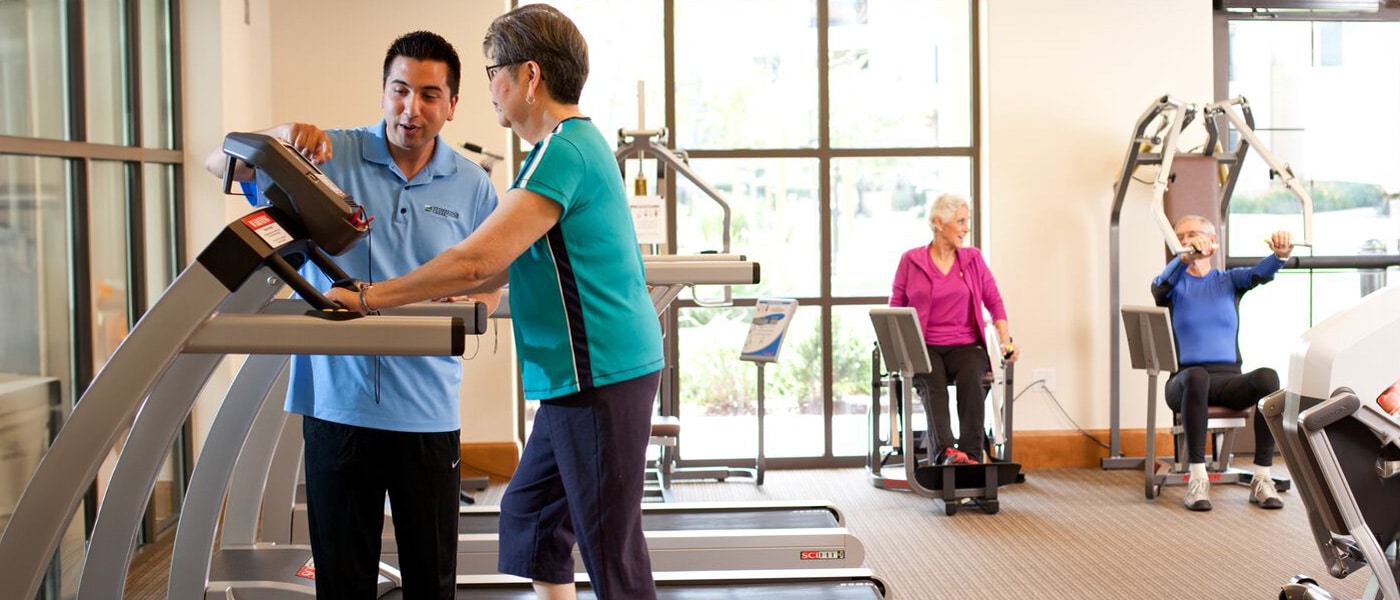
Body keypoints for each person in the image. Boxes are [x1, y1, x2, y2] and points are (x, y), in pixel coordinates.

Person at [326, 6, 663, 599]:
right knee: (529, 514)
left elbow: (475, 258)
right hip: (570, 376)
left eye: (493, 74)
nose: (490, 91)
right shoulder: (555, 150)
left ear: (529, 76)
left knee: (612, 551)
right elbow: (511, 260)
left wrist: (369, 297)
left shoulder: (565, 150)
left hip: (600, 372)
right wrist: (473, 285)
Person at [204, 31, 500, 599]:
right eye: (400, 90)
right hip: (339, 407)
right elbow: (218, 163)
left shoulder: (472, 186)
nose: (411, 109)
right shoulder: (324, 155)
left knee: (432, 585)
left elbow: (494, 269)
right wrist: (279, 136)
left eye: (429, 95)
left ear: (452, 106)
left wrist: (476, 306)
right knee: (343, 584)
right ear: (384, 91)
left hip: (428, 410)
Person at [1152, 215, 1291, 512]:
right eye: (1180, 236)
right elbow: (1158, 287)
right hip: (1183, 381)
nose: (1186, 239)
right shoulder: (1173, 285)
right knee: (1197, 376)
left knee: (1269, 378)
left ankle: (1262, 477)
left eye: (1193, 234)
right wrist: (1184, 257)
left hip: (1228, 380)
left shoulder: (1229, 281)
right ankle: (1198, 478)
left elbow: (1261, 273)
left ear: (1212, 241)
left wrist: (1279, 255)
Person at [889, 193, 1017, 467]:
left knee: (972, 377)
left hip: (965, 344)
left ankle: (970, 456)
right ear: (938, 222)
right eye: (960, 222)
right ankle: (946, 454)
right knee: (932, 383)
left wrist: (1006, 343)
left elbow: (994, 301)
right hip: (925, 346)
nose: (965, 229)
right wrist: (897, 350)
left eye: (966, 222)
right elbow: (895, 308)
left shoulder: (972, 259)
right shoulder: (910, 261)